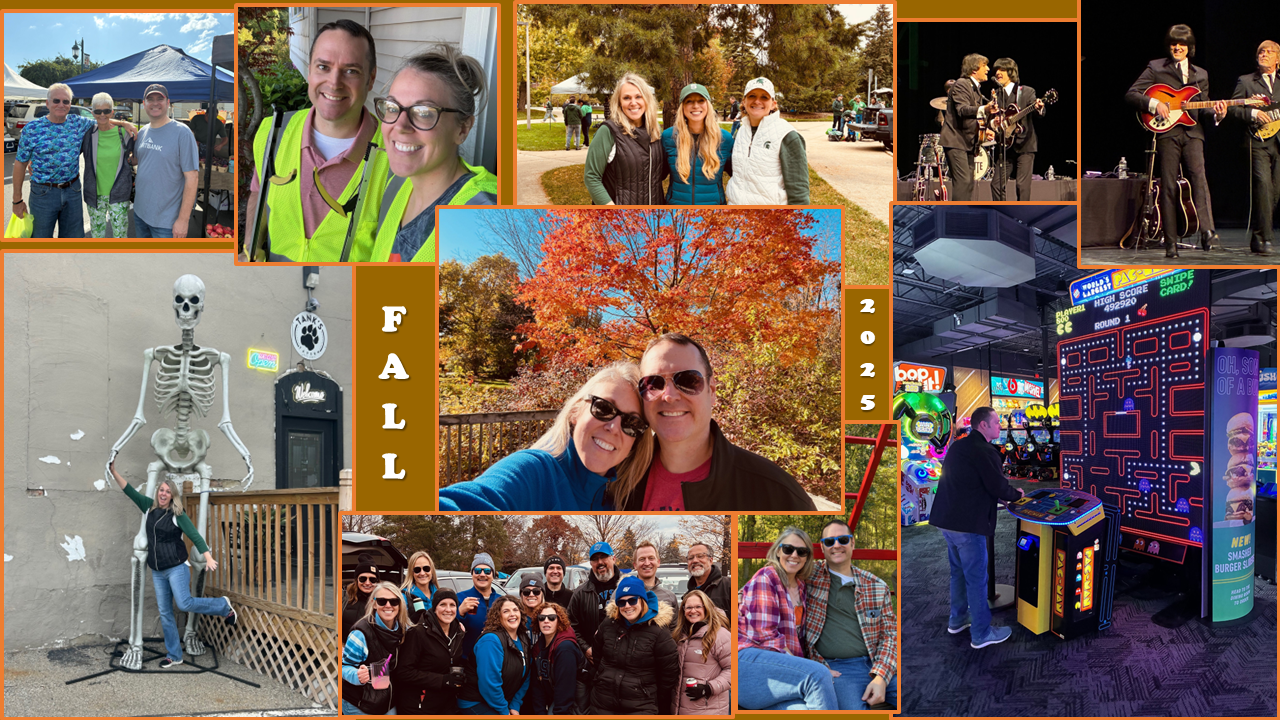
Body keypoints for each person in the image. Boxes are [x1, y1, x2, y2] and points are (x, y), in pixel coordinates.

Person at [622, 333, 816, 511]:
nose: (670, 396)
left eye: (688, 380)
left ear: (712, 391)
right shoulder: (620, 481)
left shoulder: (777, 493)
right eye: (654, 383)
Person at [248, 19, 390, 261]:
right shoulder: (273, 132)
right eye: (323, 67)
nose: (334, 83)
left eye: (351, 71)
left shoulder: (394, 156)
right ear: (310, 71)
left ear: (371, 78)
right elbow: (258, 192)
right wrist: (251, 247)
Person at [437, 361, 654, 511]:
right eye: (604, 408)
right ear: (575, 412)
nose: (614, 427)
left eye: (631, 423)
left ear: (635, 444)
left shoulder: (622, 498)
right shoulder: (533, 471)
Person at [369, 46, 497, 263]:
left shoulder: (487, 216)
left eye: (424, 113)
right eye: (392, 107)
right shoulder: (403, 185)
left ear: (462, 129)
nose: (400, 126)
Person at [110, 462, 236, 669]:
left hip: (176, 567)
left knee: (184, 603)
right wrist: (114, 472)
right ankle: (174, 655)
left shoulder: (177, 514)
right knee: (166, 613)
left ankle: (223, 606)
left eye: (168, 492)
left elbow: (195, 535)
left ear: (172, 496)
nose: (163, 494)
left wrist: (208, 556)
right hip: (158, 571)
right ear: (158, 492)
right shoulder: (149, 507)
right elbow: (129, 491)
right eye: (162, 490)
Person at [1125, 24, 1226, 257]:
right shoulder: (1156, 67)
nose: (1177, 47)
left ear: (1190, 47)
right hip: (1167, 133)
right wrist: (1154, 104)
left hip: (1193, 133)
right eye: (1173, 43)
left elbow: (1205, 108)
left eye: (1182, 44)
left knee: (1199, 180)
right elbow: (1131, 94)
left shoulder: (1201, 75)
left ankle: (1207, 232)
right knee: (1169, 186)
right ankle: (1170, 242)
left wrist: (1218, 114)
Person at [930, 406, 1024, 649]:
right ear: (983, 425)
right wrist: (1015, 495)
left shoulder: (959, 446)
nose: (1000, 427)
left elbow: (970, 482)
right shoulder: (984, 450)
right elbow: (998, 486)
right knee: (976, 578)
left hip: (947, 521)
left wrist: (999, 495)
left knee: (958, 573)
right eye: (996, 423)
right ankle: (981, 633)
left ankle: (957, 620)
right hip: (967, 524)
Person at [12, 83, 135, 238]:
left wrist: (124, 123)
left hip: (72, 191)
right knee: (40, 240)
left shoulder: (78, 123)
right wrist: (17, 199)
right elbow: (20, 163)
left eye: (66, 101)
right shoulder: (32, 129)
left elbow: (102, 119)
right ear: (47, 103)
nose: (61, 105)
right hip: (43, 194)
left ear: (70, 104)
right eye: (56, 101)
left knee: (73, 240)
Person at [737, 527, 838, 711]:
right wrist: (808, 668)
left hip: (778, 667)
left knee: (802, 709)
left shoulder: (800, 586)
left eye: (802, 551)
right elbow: (765, 636)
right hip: (749, 659)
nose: (794, 555)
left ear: (807, 557)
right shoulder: (765, 577)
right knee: (818, 675)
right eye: (788, 549)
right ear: (777, 551)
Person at [802, 520, 898, 710]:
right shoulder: (808, 576)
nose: (836, 545)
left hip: (877, 660)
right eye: (829, 542)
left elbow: (890, 635)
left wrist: (881, 676)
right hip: (838, 668)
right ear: (822, 547)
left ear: (852, 543)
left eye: (843, 539)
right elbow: (776, 571)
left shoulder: (877, 586)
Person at [585, 576, 679, 715]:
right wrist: (603, 679)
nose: (627, 606)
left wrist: (649, 693)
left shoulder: (658, 631)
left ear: (642, 601)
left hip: (641, 705)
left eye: (632, 600)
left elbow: (668, 672)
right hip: (603, 701)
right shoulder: (608, 624)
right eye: (622, 602)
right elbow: (598, 655)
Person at [584, 73, 669, 205]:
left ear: (647, 99)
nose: (633, 103)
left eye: (638, 96)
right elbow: (591, 177)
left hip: (654, 216)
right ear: (619, 102)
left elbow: (659, 174)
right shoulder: (608, 131)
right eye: (626, 98)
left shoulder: (655, 131)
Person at [725, 77, 809, 205]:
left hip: (770, 218)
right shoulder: (741, 132)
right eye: (752, 96)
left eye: (764, 97)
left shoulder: (787, 135)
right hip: (737, 215)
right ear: (744, 101)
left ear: (773, 104)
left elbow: (799, 193)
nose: (757, 101)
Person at [1231, 40, 1280, 256]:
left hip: (1278, 142)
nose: (1265, 54)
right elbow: (1234, 109)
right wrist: (1252, 113)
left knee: (1275, 191)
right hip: (1257, 141)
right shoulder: (1246, 81)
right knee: (1263, 186)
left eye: (1270, 52)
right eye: (1261, 51)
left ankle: (1258, 235)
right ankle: (1266, 239)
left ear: (1278, 59)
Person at [132, 84, 199, 238]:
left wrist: (183, 220)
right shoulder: (142, 132)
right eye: (150, 100)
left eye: (159, 99)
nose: (155, 103)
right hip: (140, 214)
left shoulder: (182, 133)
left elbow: (192, 178)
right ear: (144, 104)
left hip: (167, 223)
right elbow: (136, 160)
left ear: (168, 103)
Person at [392, 587, 466, 715]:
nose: (448, 609)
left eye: (452, 605)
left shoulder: (458, 632)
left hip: (446, 703)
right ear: (434, 607)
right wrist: (442, 680)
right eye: (442, 604)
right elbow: (404, 672)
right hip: (420, 704)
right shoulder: (418, 632)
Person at [342, 580, 408, 715]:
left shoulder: (403, 630)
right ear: (374, 603)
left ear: (400, 605)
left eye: (394, 601)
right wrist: (357, 675)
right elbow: (343, 666)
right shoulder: (360, 634)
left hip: (388, 701)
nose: (388, 605)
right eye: (382, 601)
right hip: (360, 703)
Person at [458, 596, 531, 715]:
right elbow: (489, 684)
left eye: (515, 610)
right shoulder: (491, 641)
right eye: (506, 611)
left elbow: (527, 675)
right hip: (476, 702)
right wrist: (504, 711)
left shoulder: (523, 638)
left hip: (502, 702)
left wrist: (515, 705)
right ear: (498, 616)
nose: (512, 614)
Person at [662, 83, 733, 205]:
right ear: (682, 107)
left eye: (701, 100)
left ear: (708, 105)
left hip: (714, 212)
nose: (695, 106)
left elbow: (739, 176)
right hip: (676, 211)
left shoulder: (724, 139)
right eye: (689, 101)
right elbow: (658, 175)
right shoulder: (669, 137)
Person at [989, 58, 1045, 202]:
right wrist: (995, 123)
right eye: (996, 70)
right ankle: (1002, 212)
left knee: (1022, 186)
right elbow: (992, 118)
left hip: (1025, 145)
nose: (998, 73)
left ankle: (1022, 218)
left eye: (1001, 70)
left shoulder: (1026, 91)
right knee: (996, 184)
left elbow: (1038, 111)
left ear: (1011, 72)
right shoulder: (996, 95)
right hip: (1005, 146)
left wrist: (1039, 108)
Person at [81, 92, 135, 239]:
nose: (102, 115)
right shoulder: (87, 134)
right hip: (94, 195)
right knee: (97, 237)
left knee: (120, 237)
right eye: (98, 111)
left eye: (106, 111)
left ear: (112, 111)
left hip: (119, 194)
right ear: (92, 113)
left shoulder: (124, 133)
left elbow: (137, 157)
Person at [671, 589, 731, 715]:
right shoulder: (679, 636)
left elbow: (733, 669)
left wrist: (708, 688)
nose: (693, 611)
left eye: (698, 606)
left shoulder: (720, 636)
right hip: (679, 709)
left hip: (708, 710)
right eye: (688, 607)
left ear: (707, 608)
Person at [940, 54, 992, 201]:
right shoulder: (962, 84)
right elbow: (962, 110)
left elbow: (972, 117)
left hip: (966, 142)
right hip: (956, 141)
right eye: (984, 66)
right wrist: (985, 109)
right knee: (963, 183)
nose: (988, 69)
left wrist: (985, 129)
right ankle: (957, 215)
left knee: (968, 183)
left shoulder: (975, 89)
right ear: (974, 69)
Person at [527, 602, 585, 714]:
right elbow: (537, 687)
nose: (546, 621)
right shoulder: (538, 647)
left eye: (552, 618)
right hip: (552, 700)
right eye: (541, 618)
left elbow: (565, 692)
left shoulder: (565, 648)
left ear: (559, 621)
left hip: (573, 705)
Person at [568, 541, 621, 662]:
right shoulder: (580, 593)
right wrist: (585, 648)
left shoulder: (627, 587)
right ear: (591, 563)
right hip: (594, 658)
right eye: (595, 559)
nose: (600, 562)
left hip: (624, 659)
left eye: (603, 557)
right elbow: (571, 626)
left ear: (613, 558)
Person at [457, 552, 502, 662]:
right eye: (477, 571)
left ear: (493, 575)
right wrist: (460, 612)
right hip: (468, 662)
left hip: (496, 660)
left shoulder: (501, 601)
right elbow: (447, 629)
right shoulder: (460, 598)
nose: (482, 574)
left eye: (487, 571)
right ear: (472, 574)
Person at [632, 541, 677, 629]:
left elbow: (675, 630)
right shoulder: (621, 594)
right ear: (635, 565)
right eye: (642, 559)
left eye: (651, 558)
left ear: (658, 562)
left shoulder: (670, 597)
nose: (647, 563)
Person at [685, 542, 732, 615]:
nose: (695, 561)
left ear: (710, 560)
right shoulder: (687, 595)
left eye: (700, 556)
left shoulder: (729, 586)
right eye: (690, 558)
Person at [344, 553, 381, 639]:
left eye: (372, 579)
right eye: (362, 579)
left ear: (377, 582)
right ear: (356, 580)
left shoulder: (383, 601)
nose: (367, 583)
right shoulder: (345, 598)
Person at [400, 549, 438, 624]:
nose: (422, 573)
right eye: (417, 570)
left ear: (432, 570)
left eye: (426, 568)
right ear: (412, 572)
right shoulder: (404, 597)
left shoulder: (439, 594)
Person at [516, 576, 546, 648]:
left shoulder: (550, 617)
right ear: (521, 595)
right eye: (526, 592)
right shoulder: (515, 618)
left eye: (536, 591)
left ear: (542, 594)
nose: (531, 595)